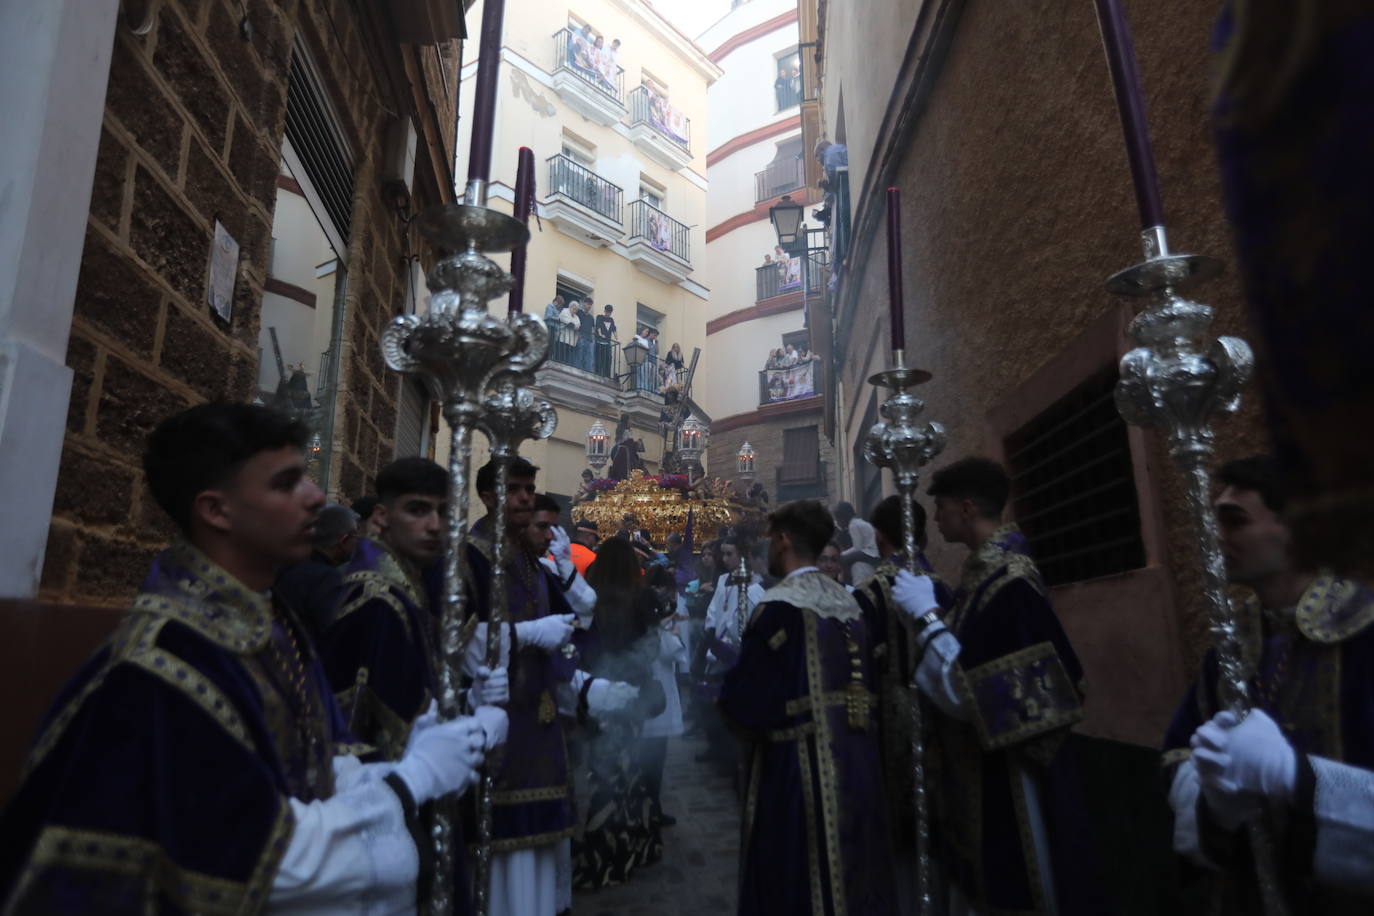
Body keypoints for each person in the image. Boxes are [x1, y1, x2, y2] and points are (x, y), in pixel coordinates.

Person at [0, 403, 504, 913]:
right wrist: (410, 779)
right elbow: (260, 859)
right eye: (286, 483)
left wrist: (397, 761)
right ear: (216, 510)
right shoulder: (170, 661)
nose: (315, 497)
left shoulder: (268, 619)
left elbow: (306, 771)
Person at [1164, 456, 1374, 912]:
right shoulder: (1232, 641)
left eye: (1234, 521)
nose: (1216, 537)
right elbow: (1179, 749)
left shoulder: (1365, 632)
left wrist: (1292, 778)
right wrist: (1213, 802)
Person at [902, 456, 1102, 914]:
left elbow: (980, 692)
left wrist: (929, 621)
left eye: (942, 508)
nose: (935, 518)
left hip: (1014, 778)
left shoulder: (1010, 584)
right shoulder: (981, 579)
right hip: (977, 767)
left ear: (968, 509)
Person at [466, 459, 637, 916]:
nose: (524, 497)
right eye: (514, 490)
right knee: (507, 867)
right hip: (500, 729)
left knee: (548, 864)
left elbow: (577, 623)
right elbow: (454, 642)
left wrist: (586, 689)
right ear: (486, 496)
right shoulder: (469, 558)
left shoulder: (531, 565)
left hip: (543, 728)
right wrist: (524, 636)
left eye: (530, 488)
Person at [719, 500, 896, 915]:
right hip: (861, 767)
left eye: (770, 539)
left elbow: (748, 706)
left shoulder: (777, 609)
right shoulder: (854, 605)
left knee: (801, 880)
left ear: (783, 540)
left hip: (796, 776)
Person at [850, 495, 953, 851]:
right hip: (943, 709)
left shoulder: (870, 591)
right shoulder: (942, 585)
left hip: (888, 715)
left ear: (879, 536)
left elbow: (857, 667)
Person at [572, 537, 668, 889]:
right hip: (631, 698)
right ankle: (629, 846)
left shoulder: (587, 599)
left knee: (602, 771)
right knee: (628, 772)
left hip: (594, 693)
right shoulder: (641, 598)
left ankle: (604, 851)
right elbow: (651, 646)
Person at [275, 502, 359, 640]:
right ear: (343, 540)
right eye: (355, 535)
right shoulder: (326, 579)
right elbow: (338, 636)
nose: (358, 542)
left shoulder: (290, 565)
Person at [834, 499, 879, 583]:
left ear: (843, 517)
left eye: (838, 519)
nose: (838, 522)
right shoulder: (858, 522)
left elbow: (857, 548)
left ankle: (847, 582)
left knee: (842, 559)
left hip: (870, 553)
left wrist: (841, 554)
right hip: (873, 553)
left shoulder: (853, 525)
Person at [595, 303, 617, 376]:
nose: (608, 313)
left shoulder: (611, 320)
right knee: (599, 358)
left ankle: (606, 375)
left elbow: (614, 329)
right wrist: (600, 334)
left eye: (610, 312)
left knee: (608, 359)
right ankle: (598, 373)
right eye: (607, 311)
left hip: (607, 343)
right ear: (604, 311)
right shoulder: (600, 317)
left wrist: (616, 338)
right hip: (599, 342)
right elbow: (598, 326)